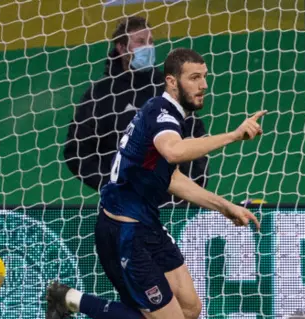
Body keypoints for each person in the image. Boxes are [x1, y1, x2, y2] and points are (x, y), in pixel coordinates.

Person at [45, 48, 266, 319]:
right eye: (195, 78)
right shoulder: (163, 115)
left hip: (147, 224)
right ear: (171, 81)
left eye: (205, 76)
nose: (203, 85)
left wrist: (226, 207)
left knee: (191, 308)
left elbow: (173, 177)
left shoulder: (166, 114)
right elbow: (174, 152)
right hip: (122, 233)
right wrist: (234, 135)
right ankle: (68, 299)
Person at [64, 16, 208, 192]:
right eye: (140, 42)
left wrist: (192, 187)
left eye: (151, 41)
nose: (148, 47)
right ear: (121, 48)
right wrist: (112, 184)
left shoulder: (169, 87)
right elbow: (77, 151)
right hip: (123, 204)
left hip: (172, 200)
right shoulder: (100, 94)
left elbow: (196, 136)